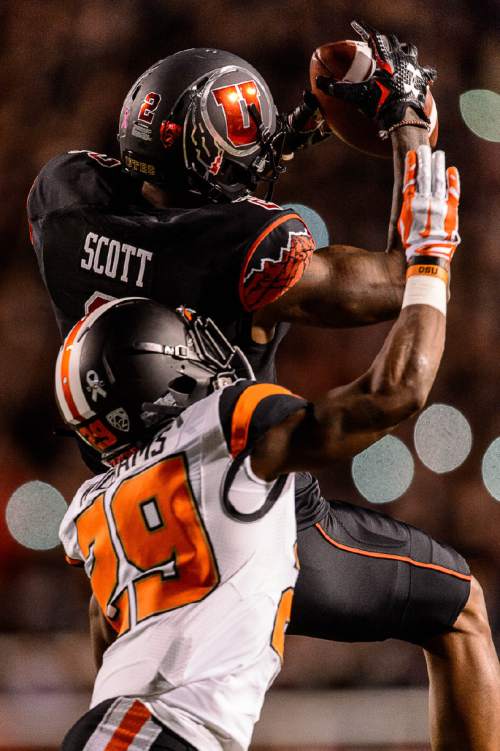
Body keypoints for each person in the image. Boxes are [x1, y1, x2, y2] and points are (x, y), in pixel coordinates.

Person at [29, 20, 499, 749]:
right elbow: (396, 285)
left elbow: (168, 217)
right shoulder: (239, 256)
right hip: (237, 481)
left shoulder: (60, 202)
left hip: (123, 502)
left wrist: (281, 138)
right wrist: (410, 128)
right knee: (458, 605)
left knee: (132, 656)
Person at [58, 157, 459, 747]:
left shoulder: (91, 502)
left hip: (126, 728)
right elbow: (395, 392)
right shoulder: (220, 427)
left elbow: (107, 635)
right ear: (164, 374)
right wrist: (429, 263)